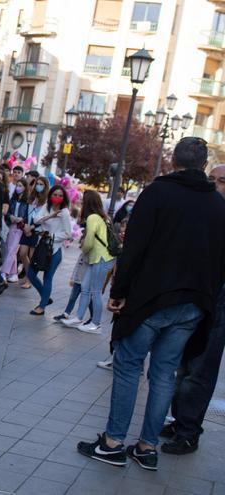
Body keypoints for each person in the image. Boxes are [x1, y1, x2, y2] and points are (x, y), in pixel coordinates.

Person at [77, 137, 225, 472]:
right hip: (192, 305)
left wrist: (119, 290)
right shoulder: (217, 205)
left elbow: (135, 248)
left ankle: (113, 443)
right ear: (203, 165)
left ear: (174, 160)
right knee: (163, 372)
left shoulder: (157, 193)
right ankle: (146, 447)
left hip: (151, 300)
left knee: (129, 367)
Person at [160, 164, 225, 455]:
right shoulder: (208, 213)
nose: (216, 185)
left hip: (219, 304)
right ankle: (179, 422)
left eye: (221, 181)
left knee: (200, 371)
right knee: (184, 365)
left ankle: (189, 432)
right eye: (211, 179)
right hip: (196, 299)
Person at [62, 190, 115, 334]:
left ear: (88, 202)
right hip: (99, 258)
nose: (80, 203)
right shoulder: (103, 217)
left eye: (83, 201)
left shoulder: (92, 218)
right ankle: (79, 317)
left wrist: (83, 249)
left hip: (100, 258)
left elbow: (89, 242)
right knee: (85, 287)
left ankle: (96, 323)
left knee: (95, 291)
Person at [25, 184, 72, 315]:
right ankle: (45, 297)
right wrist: (50, 216)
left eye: (60, 195)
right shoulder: (46, 207)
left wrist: (52, 236)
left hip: (54, 249)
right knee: (30, 274)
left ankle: (42, 307)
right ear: (50, 195)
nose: (57, 197)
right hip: (41, 246)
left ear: (64, 198)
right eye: (55, 194)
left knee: (47, 278)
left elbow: (68, 233)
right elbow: (36, 220)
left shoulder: (65, 213)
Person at [19, 178, 49, 289]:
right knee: (22, 253)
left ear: (45, 186)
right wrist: (25, 226)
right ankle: (29, 274)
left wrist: (32, 227)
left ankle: (29, 280)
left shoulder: (46, 201)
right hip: (27, 228)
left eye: (41, 184)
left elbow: (43, 218)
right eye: (37, 184)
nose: (39, 186)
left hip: (37, 230)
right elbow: (27, 213)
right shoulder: (31, 198)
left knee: (32, 257)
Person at [2, 179, 29, 283]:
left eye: (20, 185)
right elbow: (7, 213)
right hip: (11, 226)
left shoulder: (27, 202)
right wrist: (11, 217)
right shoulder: (12, 199)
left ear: (25, 188)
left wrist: (22, 219)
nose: (18, 187)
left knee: (12, 250)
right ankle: (13, 274)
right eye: (17, 185)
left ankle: (3, 273)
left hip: (20, 228)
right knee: (10, 250)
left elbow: (27, 216)